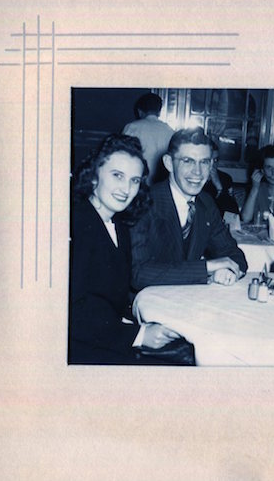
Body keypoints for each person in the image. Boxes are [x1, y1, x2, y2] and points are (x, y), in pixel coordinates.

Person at [69, 134, 188, 365]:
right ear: (93, 175)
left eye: (134, 180)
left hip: (106, 339)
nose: (126, 189)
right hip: (80, 352)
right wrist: (139, 335)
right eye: (117, 176)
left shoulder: (119, 224)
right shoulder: (78, 224)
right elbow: (71, 312)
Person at [130, 127, 247, 291]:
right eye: (187, 161)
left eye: (204, 162)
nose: (197, 172)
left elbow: (234, 255)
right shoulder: (144, 202)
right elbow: (138, 274)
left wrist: (228, 271)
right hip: (148, 301)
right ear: (169, 163)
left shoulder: (206, 203)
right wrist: (207, 268)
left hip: (189, 298)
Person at [122, 92, 174, 184]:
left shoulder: (132, 127)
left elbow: (123, 156)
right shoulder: (170, 130)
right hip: (161, 184)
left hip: (138, 180)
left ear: (139, 111)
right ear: (159, 111)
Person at [201, 140, 240, 217]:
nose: (213, 165)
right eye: (208, 160)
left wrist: (219, 187)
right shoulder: (195, 179)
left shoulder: (225, 178)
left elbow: (233, 213)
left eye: (215, 160)